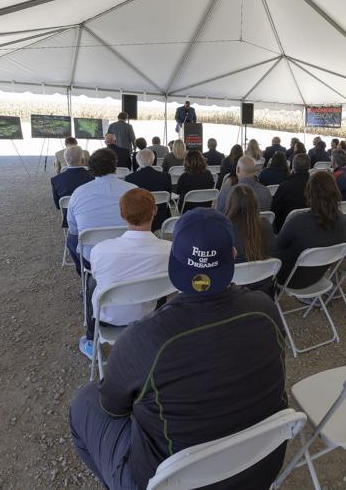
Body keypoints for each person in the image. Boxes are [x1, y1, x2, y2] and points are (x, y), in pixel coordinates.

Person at [70, 208, 288, 490]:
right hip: (260, 469)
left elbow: (112, 407)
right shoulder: (266, 310)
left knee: (85, 401)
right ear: (233, 257)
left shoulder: (144, 338)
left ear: (173, 262)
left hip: (174, 483)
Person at [78, 188, 172, 358]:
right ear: (155, 210)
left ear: (122, 214)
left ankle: (91, 340)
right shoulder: (170, 250)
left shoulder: (100, 250)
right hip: (148, 318)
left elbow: (101, 278)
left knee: (92, 282)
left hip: (107, 321)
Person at [66, 149, 137, 271]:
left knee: (72, 238)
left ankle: (85, 276)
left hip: (91, 257)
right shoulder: (134, 190)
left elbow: (73, 228)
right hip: (130, 253)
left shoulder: (79, 192)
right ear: (115, 166)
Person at [275, 172, 346, 287]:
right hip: (317, 276)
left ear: (309, 193)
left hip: (289, 279)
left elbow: (277, 245)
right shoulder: (342, 220)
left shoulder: (298, 221)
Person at [225, 186, 276, 295]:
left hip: (232, 294)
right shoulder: (266, 225)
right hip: (263, 290)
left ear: (230, 204)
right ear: (255, 204)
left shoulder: (224, 231)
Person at [124, 149, 172, 231]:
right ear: (153, 161)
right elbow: (169, 197)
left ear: (137, 161)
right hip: (161, 215)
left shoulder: (130, 178)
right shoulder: (165, 177)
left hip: (139, 216)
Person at [51, 145, 93, 228]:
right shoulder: (94, 177)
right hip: (92, 219)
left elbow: (58, 205)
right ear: (83, 160)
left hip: (69, 222)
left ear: (66, 161)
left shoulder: (56, 180)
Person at [271, 154, 310, 232]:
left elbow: (274, 211)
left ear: (293, 167)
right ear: (309, 167)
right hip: (311, 227)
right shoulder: (316, 185)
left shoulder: (285, 186)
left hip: (286, 229)